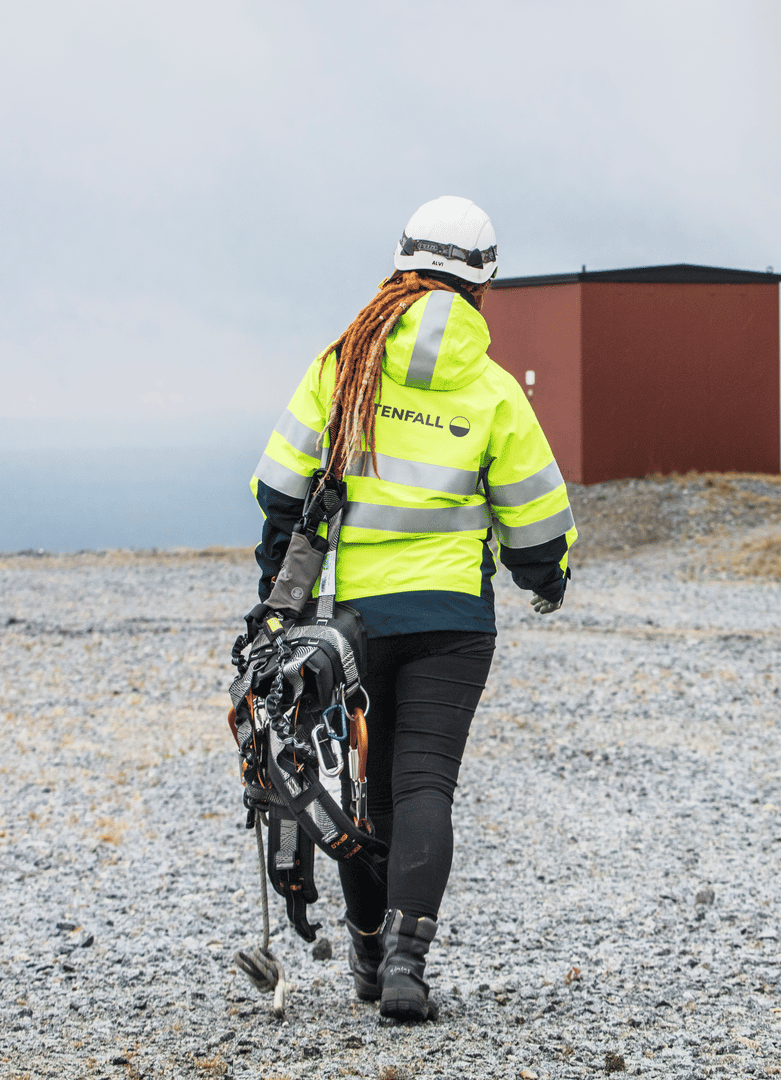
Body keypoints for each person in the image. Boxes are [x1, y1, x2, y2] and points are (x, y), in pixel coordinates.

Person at [248, 195, 576, 1021]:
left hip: (355, 623)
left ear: (401, 264)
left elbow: (279, 491)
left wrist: (275, 599)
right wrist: (545, 582)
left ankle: (364, 953)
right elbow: (539, 535)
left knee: (367, 794)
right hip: (455, 622)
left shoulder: (345, 364)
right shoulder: (496, 390)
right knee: (427, 782)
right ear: (483, 284)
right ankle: (406, 964)